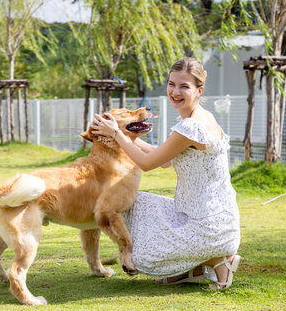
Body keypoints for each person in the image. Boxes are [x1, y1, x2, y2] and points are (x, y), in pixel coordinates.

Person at [91, 57, 241, 289]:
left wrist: (116, 135)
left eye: (184, 86)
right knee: (133, 201)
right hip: (207, 215)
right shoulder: (200, 117)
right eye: (172, 84)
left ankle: (219, 259)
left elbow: (149, 163)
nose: (175, 91)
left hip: (209, 226)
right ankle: (193, 269)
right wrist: (124, 134)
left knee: (143, 259)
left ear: (199, 90)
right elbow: (165, 159)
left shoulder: (191, 127)